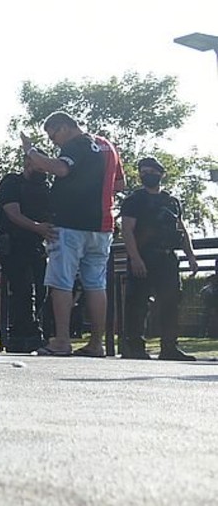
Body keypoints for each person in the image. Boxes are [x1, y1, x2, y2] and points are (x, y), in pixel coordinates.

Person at [21, 111, 124, 357]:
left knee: (61, 281)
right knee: (96, 284)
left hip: (70, 224)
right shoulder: (107, 146)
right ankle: (96, 343)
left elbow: (60, 169)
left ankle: (62, 340)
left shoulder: (77, 144)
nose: (54, 142)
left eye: (53, 136)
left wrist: (31, 151)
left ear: (64, 127)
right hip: (102, 226)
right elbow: (120, 184)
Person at [120, 157, 201, 361]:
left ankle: (169, 347)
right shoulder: (134, 200)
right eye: (143, 172)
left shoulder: (171, 201)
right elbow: (127, 230)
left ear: (161, 173)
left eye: (151, 171)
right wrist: (135, 258)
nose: (147, 175)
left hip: (168, 258)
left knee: (171, 302)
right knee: (138, 303)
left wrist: (191, 256)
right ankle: (135, 348)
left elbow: (181, 229)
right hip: (144, 256)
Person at [0, 154, 57, 353]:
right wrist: (38, 227)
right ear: (28, 163)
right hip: (13, 243)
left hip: (35, 244)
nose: (43, 170)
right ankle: (21, 335)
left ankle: (29, 330)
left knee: (41, 289)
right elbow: (12, 213)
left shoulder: (46, 188)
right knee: (22, 289)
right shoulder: (12, 182)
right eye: (39, 166)